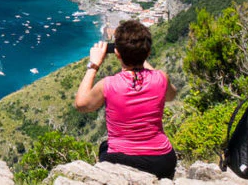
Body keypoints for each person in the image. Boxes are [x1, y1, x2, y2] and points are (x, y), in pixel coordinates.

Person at [74, 19, 178, 180]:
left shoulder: (108, 85)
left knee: (104, 147)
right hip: (162, 161)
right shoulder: (161, 78)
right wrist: (140, 57)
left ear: (117, 53)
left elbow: (81, 104)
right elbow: (171, 96)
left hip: (122, 160)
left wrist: (93, 64)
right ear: (148, 53)